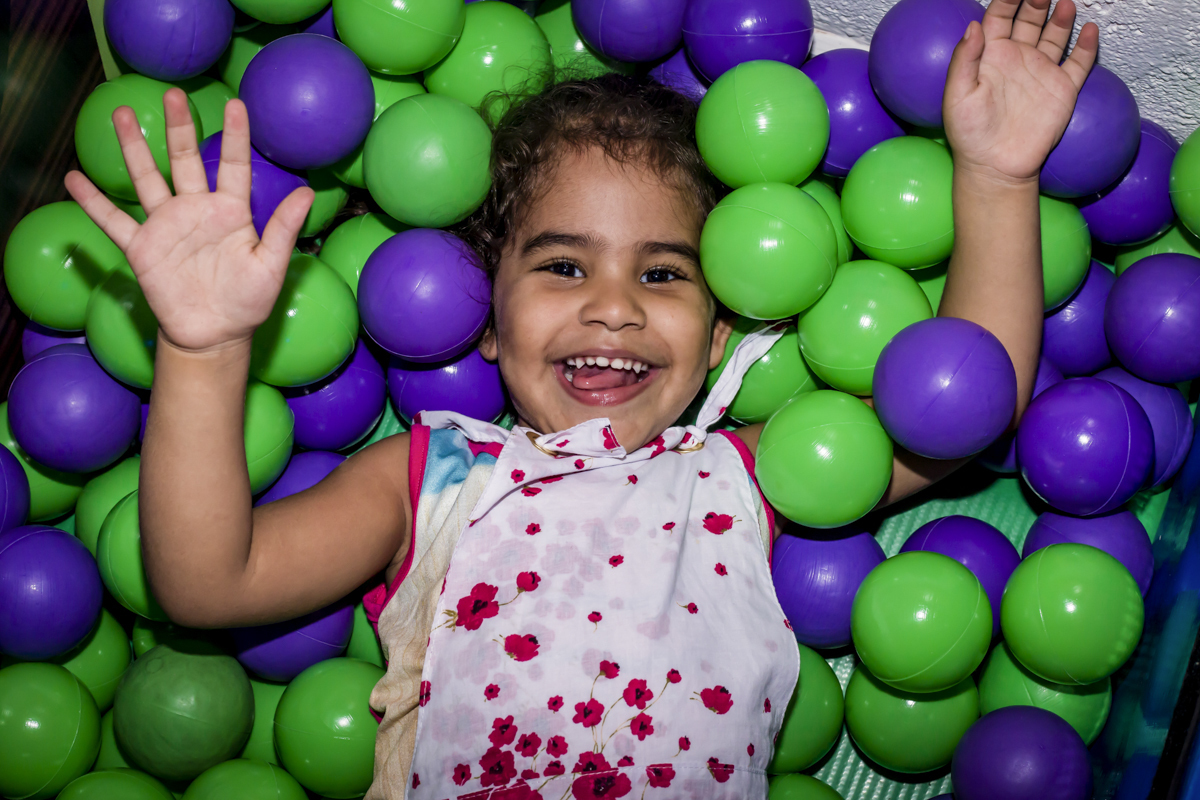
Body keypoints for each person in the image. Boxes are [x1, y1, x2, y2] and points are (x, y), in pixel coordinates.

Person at [65, 0, 1099, 796]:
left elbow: (965, 408)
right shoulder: (435, 476)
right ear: (488, 318)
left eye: (663, 274)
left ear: (722, 335)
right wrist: (206, 348)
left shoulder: (751, 474)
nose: (613, 306)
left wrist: (997, 178)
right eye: (563, 267)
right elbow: (208, 582)